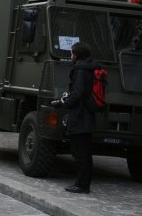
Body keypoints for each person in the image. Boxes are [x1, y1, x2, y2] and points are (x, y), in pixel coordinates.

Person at [51, 42, 98, 194]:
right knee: (85, 152)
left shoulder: (80, 70)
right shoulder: (91, 67)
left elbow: (78, 93)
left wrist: (64, 103)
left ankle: (82, 185)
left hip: (80, 116)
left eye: (72, 53)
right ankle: (83, 183)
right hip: (88, 115)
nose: (70, 56)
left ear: (76, 55)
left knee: (80, 152)